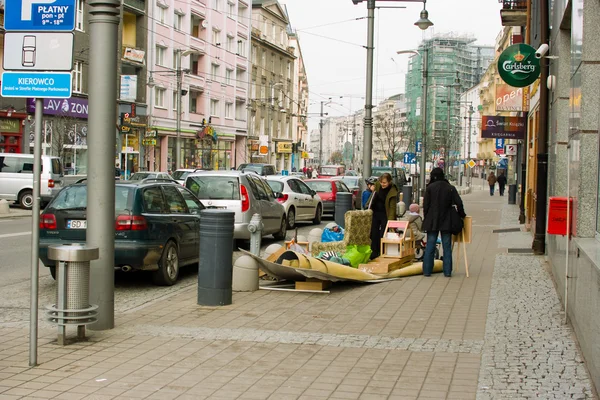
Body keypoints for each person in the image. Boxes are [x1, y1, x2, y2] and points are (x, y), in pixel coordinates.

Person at [422, 167, 466, 277]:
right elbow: (459, 203)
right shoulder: (450, 188)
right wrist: (462, 215)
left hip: (432, 220)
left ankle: (427, 271)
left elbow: (425, 206)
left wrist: (426, 217)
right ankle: (447, 271)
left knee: (430, 245)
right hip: (447, 220)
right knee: (447, 246)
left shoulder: (430, 188)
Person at [367, 173, 399, 259]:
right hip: (375, 212)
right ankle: (374, 251)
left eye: (384, 182)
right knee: (374, 232)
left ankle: (382, 251)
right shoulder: (377, 185)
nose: (382, 184)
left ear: (389, 182)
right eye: (381, 182)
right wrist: (368, 208)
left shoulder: (392, 191)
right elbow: (372, 197)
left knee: (383, 233)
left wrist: (391, 220)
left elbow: (392, 207)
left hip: (385, 213)